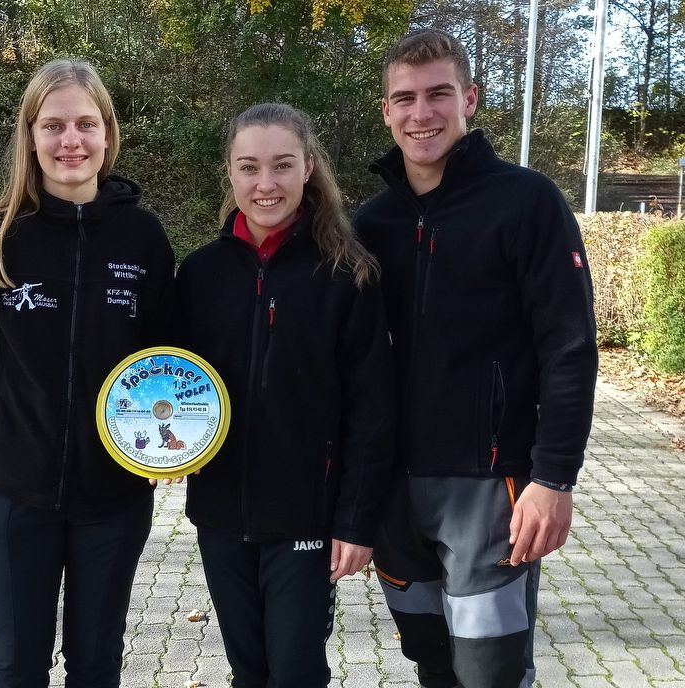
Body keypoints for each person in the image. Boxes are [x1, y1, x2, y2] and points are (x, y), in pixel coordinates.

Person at [355, 28, 598, 688]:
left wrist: (555, 478)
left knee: (490, 672)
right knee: (432, 663)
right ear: (386, 110)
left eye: (438, 94)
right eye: (405, 98)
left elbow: (570, 349)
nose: (421, 113)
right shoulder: (368, 226)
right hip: (393, 493)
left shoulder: (527, 202)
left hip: (492, 492)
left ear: (470, 99)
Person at [0, 59, 175, 687]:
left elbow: (163, 359)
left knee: (96, 661)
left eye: (85, 124)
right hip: (16, 489)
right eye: (52, 125)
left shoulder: (142, 237)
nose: (70, 140)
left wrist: (159, 447)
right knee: (16, 664)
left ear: (107, 133)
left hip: (115, 492)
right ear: (30, 136)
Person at [174, 102, 396, 687]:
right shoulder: (200, 273)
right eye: (249, 167)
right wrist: (157, 451)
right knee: (248, 671)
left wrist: (356, 521)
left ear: (308, 168)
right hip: (221, 514)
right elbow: (169, 381)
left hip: (307, 514)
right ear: (230, 172)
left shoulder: (347, 274)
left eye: (282, 165)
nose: (265, 183)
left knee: (295, 672)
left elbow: (372, 410)